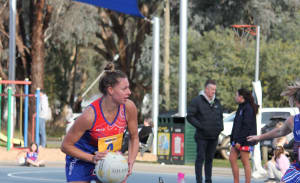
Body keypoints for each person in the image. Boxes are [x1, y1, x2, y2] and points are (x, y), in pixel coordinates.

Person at [61, 63, 139, 183]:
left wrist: (130, 162)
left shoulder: (129, 107)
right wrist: (92, 158)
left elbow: (134, 137)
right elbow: (65, 146)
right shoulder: (89, 116)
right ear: (110, 90)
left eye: (128, 87)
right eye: (124, 89)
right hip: (82, 158)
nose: (129, 92)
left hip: (109, 160)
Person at [247, 80, 300, 183]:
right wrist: (259, 137)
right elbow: (279, 131)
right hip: (297, 167)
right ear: (297, 104)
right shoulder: (293, 120)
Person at [187, 79, 223, 183]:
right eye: (212, 89)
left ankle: (208, 180)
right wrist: (200, 126)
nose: (214, 91)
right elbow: (189, 117)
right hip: (201, 137)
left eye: (215, 90)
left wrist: (220, 128)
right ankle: (199, 180)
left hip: (214, 137)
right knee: (200, 159)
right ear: (206, 89)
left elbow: (220, 116)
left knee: (209, 160)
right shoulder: (197, 101)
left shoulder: (217, 101)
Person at [229, 88, 258, 183]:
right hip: (237, 139)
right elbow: (237, 124)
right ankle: (236, 181)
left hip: (245, 140)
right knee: (232, 158)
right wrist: (233, 138)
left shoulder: (248, 108)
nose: (235, 97)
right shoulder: (240, 107)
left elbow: (246, 126)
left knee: (245, 161)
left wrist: (239, 141)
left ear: (241, 97)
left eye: (236, 95)